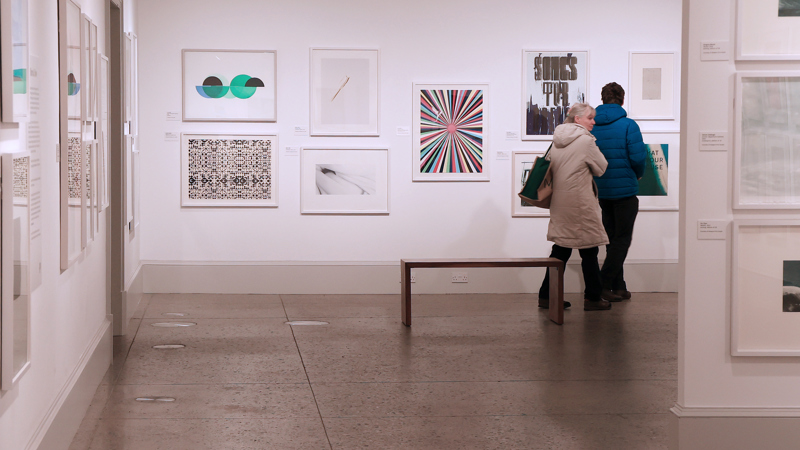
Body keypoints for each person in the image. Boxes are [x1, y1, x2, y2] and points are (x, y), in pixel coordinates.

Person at [538, 103, 612, 311]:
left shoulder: (557, 140)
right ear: (577, 119)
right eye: (590, 117)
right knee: (589, 248)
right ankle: (593, 298)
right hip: (579, 202)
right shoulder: (586, 141)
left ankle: (546, 296)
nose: (594, 121)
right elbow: (601, 168)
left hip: (560, 202)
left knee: (561, 247)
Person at [591, 82, 646, 301]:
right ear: (622, 99)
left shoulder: (592, 125)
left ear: (602, 99)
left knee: (612, 240)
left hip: (602, 190)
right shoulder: (628, 125)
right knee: (621, 240)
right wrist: (638, 174)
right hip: (625, 191)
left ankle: (619, 286)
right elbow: (638, 157)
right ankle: (602, 285)